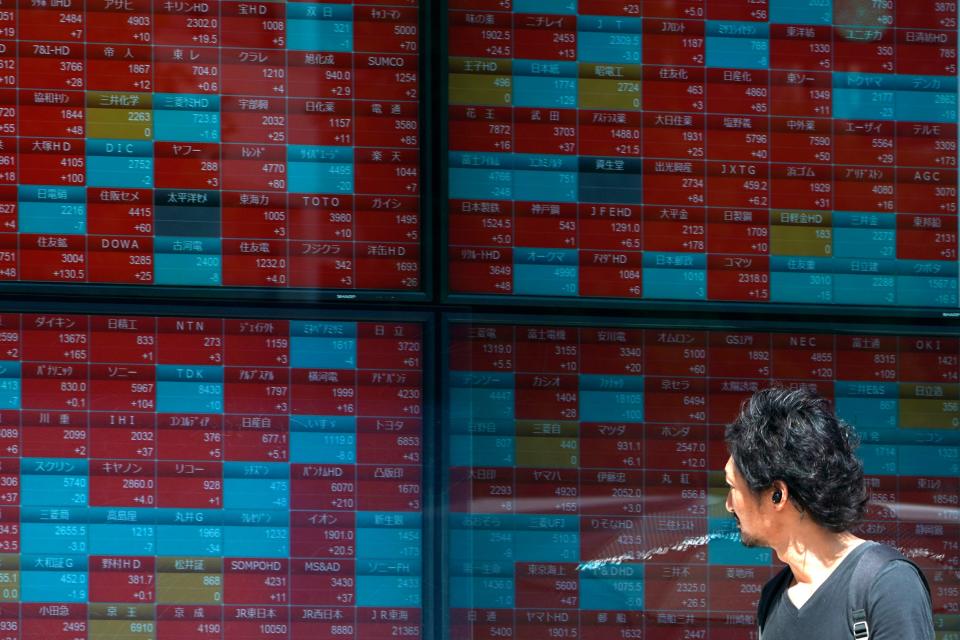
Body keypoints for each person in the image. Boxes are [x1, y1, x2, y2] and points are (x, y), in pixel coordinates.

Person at [723, 386, 933, 639]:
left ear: (777, 494)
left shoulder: (888, 583)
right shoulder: (772, 598)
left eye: (733, 487)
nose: (729, 504)